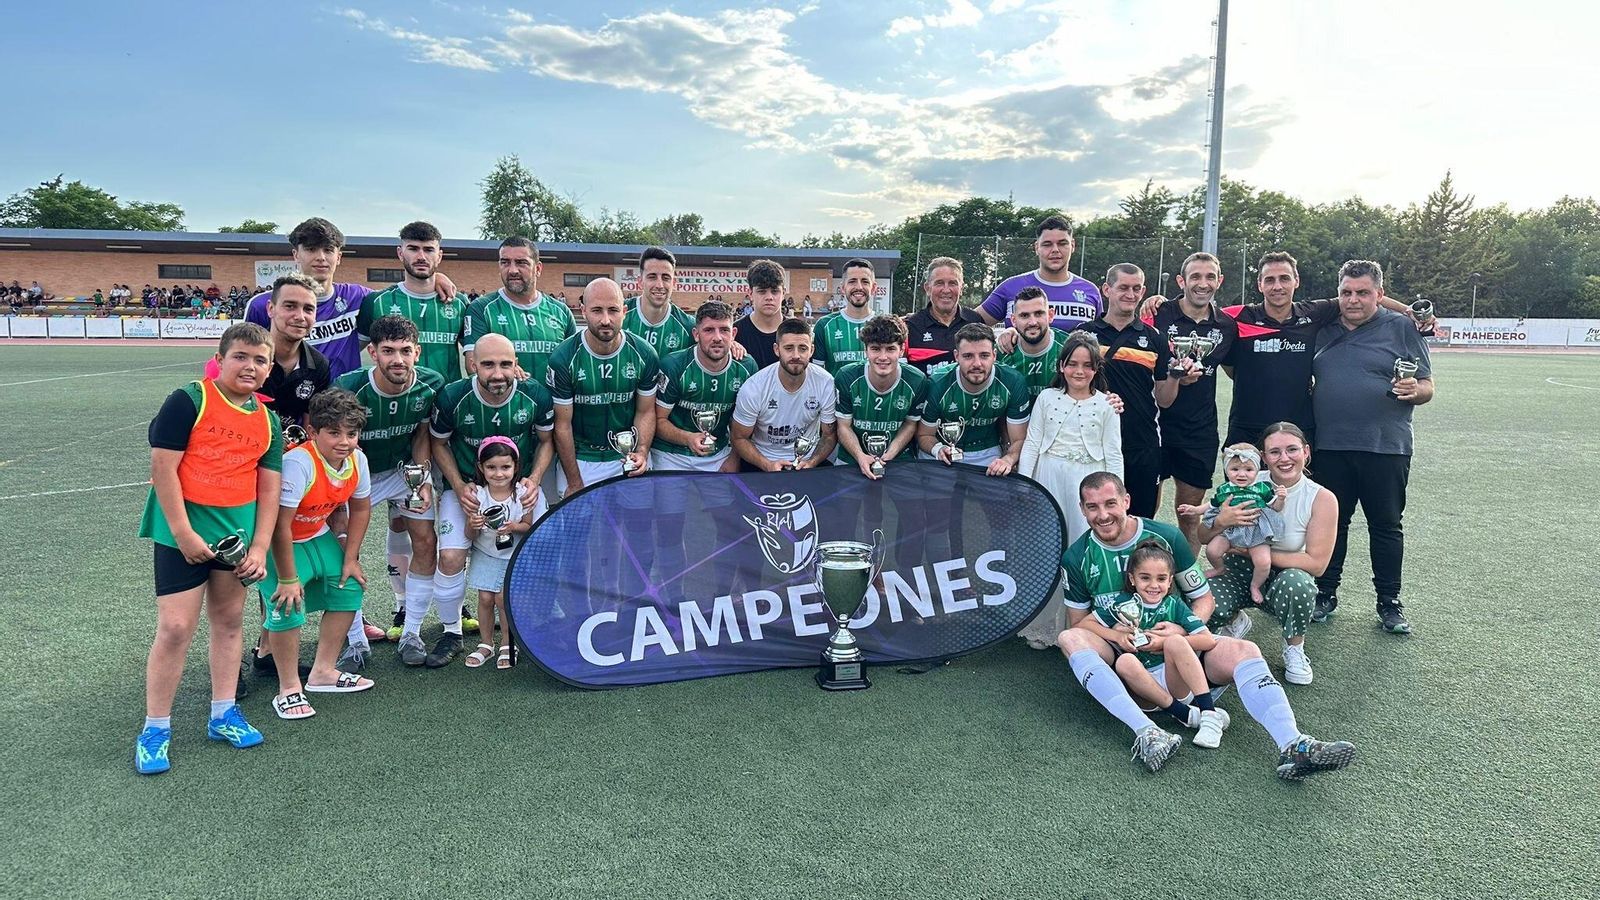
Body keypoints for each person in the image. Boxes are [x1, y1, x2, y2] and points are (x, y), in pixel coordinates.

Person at [1058, 472, 1356, 777]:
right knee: (1070, 638)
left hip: (1180, 659)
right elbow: (1079, 624)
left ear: (1126, 501)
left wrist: (1181, 631)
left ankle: (1293, 744)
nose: (1103, 515)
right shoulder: (1076, 557)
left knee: (1245, 650)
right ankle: (1147, 732)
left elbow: (1203, 600)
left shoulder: (1166, 537)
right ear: (1082, 509)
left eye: (1110, 504)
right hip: (1127, 668)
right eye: (1093, 507)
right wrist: (1115, 635)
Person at [135, 323, 281, 774]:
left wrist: (259, 547)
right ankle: (155, 728)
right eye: (240, 356)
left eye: (260, 360)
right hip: (180, 535)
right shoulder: (189, 400)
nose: (250, 367)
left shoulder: (269, 420)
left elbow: (269, 490)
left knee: (229, 621)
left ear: (269, 368)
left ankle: (223, 713)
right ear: (220, 359)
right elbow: (163, 469)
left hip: (234, 537)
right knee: (176, 627)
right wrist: (182, 533)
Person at [1310, 260, 1435, 634]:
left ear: (1379, 294)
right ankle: (1325, 593)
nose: (1353, 300)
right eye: (1346, 292)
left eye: (1363, 292)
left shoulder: (1402, 327)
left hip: (1387, 446)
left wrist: (1415, 391)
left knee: (1386, 526)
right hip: (1329, 446)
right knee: (1333, 523)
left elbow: (1427, 385)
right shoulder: (1321, 327)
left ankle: (1389, 602)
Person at [429, 333, 554, 667]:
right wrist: (459, 486)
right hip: (468, 488)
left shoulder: (534, 394)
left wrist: (534, 480)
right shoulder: (453, 396)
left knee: (543, 550)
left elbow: (546, 441)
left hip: (519, 487)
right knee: (451, 557)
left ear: (516, 365)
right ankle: (452, 631)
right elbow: (438, 443)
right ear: (472, 364)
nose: (497, 373)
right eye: (488, 365)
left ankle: (535, 627)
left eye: (505, 364)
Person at [331, 315, 445, 663]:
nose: (398, 359)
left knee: (426, 541)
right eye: (388, 350)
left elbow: (422, 434)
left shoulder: (430, 383)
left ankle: (411, 633)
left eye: (405, 350)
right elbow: (338, 442)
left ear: (417, 352)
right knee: (343, 547)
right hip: (358, 472)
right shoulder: (349, 387)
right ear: (373, 352)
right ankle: (355, 640)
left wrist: (423, 478)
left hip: (402, 472)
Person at [259, 389, 376, 721]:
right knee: (286, 602)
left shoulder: (358, 460)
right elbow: (280, 526)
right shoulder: (298, 463)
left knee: (348, 586)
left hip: (315, 533)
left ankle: (323, 671)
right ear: (313, 432)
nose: (344, 442)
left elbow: (361, 509)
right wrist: (287, 578)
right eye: (334, 433)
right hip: (279, 540)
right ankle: (288, 687)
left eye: (351, 433)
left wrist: (350, 558)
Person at [1199, 423, 1335, 685]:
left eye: (1292, 449)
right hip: (1236, 569)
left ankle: (1294, 647)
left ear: (1306, 452)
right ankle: (1234, 620)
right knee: (1200, 594)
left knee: (1298, 584)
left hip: (1285, 574)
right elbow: (1204, 537)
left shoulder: (1321, 497)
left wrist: (1252, 553)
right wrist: (1220, 522)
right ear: (1263, 457)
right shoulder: (1245, 478)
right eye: (1275, 452)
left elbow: (1316, 564)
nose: (1284, 458)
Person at [1016, 331, 1122, 649]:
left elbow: (1113, 452)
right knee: (1048, 548)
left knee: (1082, 550)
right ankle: (1044, 626)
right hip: (1049, 477)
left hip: (1087, 482)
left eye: (1087, 365)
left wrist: (1115, 497)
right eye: (1073, 364)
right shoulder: (1047, 398)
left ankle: (1083, 626)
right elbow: (1032, 443)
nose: (1079, 371)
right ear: (1061, 366)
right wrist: (1025, 485)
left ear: (1096, 369)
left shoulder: (1106, 404)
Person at [246, 218, 456, 377]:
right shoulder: (263, 305)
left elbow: (402, 292)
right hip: (287, 402)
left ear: (339, 257)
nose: (321, 257)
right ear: (295, 255)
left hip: (342, 404)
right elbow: (247, 358)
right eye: (311, 249)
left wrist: (435, 278)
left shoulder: (359, 297)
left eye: (328, 250)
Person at [1077, 540, 1228, 749]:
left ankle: (1208, 714)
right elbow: (1084, 624)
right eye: (1145, 577)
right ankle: (1184, 714)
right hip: (1143, 689)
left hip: (1174, 680)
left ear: (1170, 580)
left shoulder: (1174, 604)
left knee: (1175, 641)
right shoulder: (1123, 603)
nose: (1154, 585)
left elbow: (1207, 639)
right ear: (1132, 578)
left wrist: (1163, 642)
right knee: (1124, 661)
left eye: (1161, 578)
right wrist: (1117, 636)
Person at [1152, 252, 1237, 553]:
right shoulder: (1159, 313)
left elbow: (1235, 369)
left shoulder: (1226, 325)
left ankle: (1186, 577)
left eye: (1210, 277)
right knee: (1145, 510)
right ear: (1181, 281)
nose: (1203, 283)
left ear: (1219, 280)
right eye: (1195, 276)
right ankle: (1140, 572)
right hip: (1154, 426)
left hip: (1198, 430)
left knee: (1189, 515)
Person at [1075, 264, 1177, 519]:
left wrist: (1176, 375)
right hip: (1093, 442)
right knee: (1095, 516)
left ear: (1143, 291)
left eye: (1136, 288)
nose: (1130, 294)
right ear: (1106, 289)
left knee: (1141, 518)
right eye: (1123, 288)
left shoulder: (1155, 338)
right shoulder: (1083, 334)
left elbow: (1164, 400)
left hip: (1141, 442)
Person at [547, 278, 660, 495]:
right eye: (597, 310)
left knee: (638, 516)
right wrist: (574, 480)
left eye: (613, 310)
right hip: (581, 459)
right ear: (583, 311)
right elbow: (562, 425)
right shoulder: (563, 358)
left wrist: (641, 452)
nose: (606, 320)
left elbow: (645, 411)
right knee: (580, 518)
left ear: (624, 311)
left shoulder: (644, 354)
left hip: (627, 456)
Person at [653, 300, 759, 475]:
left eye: (724, 330)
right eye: (709, 330)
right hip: (671, 455)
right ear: (696, 334)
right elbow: (657, 420)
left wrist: (734, 458)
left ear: (733, 333)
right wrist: (688, 438)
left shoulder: (747, 367)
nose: (717, 337)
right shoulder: (673, 365)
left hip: (719, 455)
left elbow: (745, 425)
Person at [357, 221, 467, 384]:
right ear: (400, 253)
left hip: (446, 396)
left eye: (429, 250)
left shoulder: (459, 302)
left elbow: (476, 354)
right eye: (413, 249)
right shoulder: (376, 301)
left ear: (439, 256)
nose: (421, 257)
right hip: (396, 396)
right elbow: (351, 352)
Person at [917, 323, 1031, 476]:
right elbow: (924, 435)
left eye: (984, 355)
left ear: (994, 355)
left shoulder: (1013, 381)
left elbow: (1019, 439)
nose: (977, 364)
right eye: (968, 356)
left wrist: (1008, 459)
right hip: (942, 454)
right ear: (956, 356)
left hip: (987, 452)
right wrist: (938, 449)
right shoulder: (938, 383)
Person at [1179, 444, 1286, 605]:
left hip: (1256, 531)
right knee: (1212, 550)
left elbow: (1276, 508)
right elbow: (1211, 505)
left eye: (1248, 469)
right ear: (1226, 470)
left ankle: (1255, 585)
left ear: (1257, 471)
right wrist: (1195, 510)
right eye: (1235, 469)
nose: (1241, 474)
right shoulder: (1225, 489)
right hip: (1230, 530)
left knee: (1264, 562)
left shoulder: (1262, 489)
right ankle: (1219, 568)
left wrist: (1281, 499)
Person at [731, 317, 838, 471]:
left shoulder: (825, 382)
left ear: (812, 350)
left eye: (803, 348)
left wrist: (812, 462)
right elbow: (739, 437)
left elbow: (829, 435)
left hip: (807, 462)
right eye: (789, 348)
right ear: (777, 349)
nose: (796, 355)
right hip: (764, 461)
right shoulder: (754, 387)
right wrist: (767, 465)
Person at [463, 438, 533, 670]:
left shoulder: (522, 493)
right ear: (481, 468)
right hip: (485, 552)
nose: (499, 473)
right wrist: (473, 524)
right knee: (484, 598)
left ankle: (507, 643)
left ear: (515, 466)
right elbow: (470, 535)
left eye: (505, 467)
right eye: (491, 467)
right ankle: (486, 644)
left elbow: (529, 526)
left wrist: (514, 526)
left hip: (512, 555)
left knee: (503, 600)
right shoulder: (478, 495)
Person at [463, 236, 577, 377]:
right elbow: (472, 365)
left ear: (538, 269)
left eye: (521, 263)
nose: (512, 270)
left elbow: (574, 363)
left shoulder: (561, 312)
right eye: (505, 262)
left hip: (552, 393)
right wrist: (504, 374)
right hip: (504, 392)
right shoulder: (481, 309)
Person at [833, 314, 927, 478]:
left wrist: (891, 453)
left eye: (890, 349)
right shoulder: (846, 376)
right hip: (851, 459)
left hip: (900, 460)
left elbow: (910, 423)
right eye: (876, 349)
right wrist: (860, 456)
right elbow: (843, 426)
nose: (883, 357)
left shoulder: (916, 380)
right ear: (866, 350)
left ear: (901, 350)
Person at [978, 215, 1103, 332]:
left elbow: (1103, 335)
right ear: (1037, 247)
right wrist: (999, 340)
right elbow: (972, 324)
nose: (1055, 250)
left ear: (1073, 245)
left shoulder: (1091, 291)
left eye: (1062, 243)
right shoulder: (1010, 287)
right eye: (1047, 244)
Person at [904, 257, 984, 374]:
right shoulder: (911, 326)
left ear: (961, 288)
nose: (946, 290)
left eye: (952, 283)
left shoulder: (975, 322)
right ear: (927, 288)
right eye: (939, 283)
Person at [623, 246, 696, 356]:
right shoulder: (618, 314)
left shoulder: (689, 327)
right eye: (652, 277)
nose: (659, 285)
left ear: (673, 283)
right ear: (640, 281)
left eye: (666, 278)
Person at [998, 286, 1070, 397]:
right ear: (1014, 320)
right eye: (1024, 315)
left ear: (1050, 315)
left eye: (1038, 314)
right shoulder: (1000, 353)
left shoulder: (1070, 348)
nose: (1032, 322)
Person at [810, 258, 877, 376]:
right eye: (852, 281)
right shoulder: (824, 325)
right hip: (836, 389)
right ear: (842, 288)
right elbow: (817, 374)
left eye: (865, 281)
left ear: (873, 288)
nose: (859, 287)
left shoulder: (885, 325)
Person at [733, 259, 787, 371]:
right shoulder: (734, 333)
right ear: (750, 293)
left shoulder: (797, 331)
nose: (769, 297)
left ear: (783, 293)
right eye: (762, 291)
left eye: (775, 291)